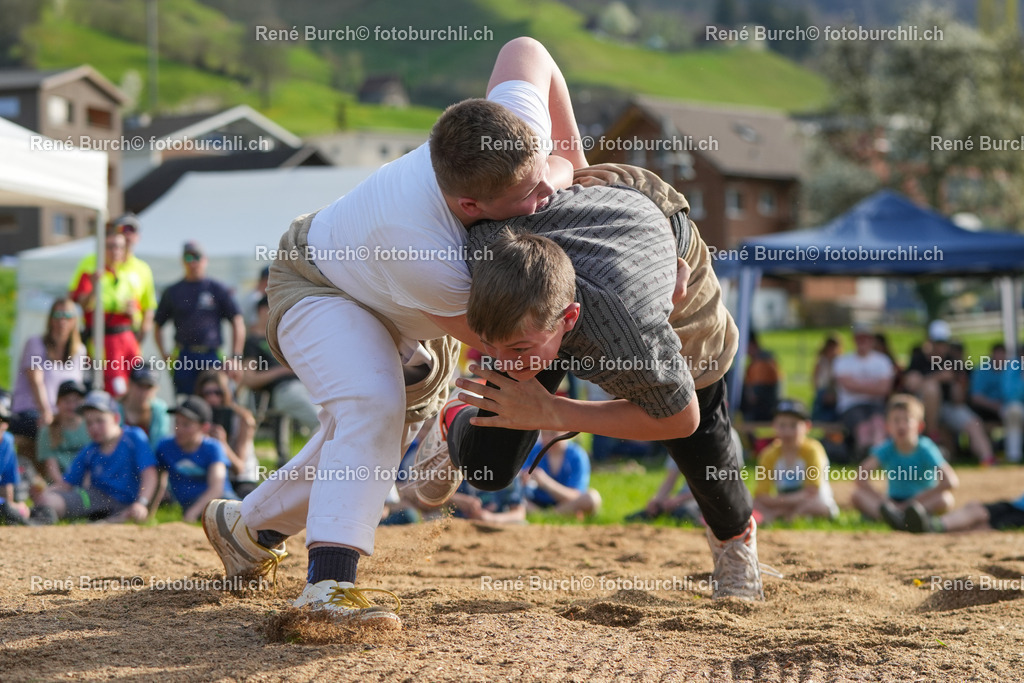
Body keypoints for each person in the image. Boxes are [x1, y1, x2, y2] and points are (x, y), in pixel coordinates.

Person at [201, 37, 588, 631]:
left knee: (360, 442)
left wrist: (571, 170)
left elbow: (526, 51)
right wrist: (470, 415)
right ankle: (328, 588)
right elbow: (506, 343)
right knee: (371, 407)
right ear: (468, 203)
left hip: (399, 305)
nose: (543, 198)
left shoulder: (507, 140)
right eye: (527, 196)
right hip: (319, 285)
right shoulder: (426, 254)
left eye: (538, 178)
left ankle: (247, 531)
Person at [415, 163, 769, 600]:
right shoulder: (480, 249)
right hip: (546, 274)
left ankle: (735, 542)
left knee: (703, 449)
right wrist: (505, 361)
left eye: (520, 351)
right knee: (491, 463)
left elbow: (682, 419)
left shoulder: (630, 332)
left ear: (568, 321)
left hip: (651, 243)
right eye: (489, 344)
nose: (505, 362)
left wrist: (554, 411)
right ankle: (454, 417)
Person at [31, 391, 157, 525]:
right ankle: (38, 518)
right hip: (95, 500)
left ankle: (100, 524)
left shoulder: (133, 438)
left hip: (127, 504)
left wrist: (142, 503)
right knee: (50, 500)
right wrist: (44, 495)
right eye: (89, 423)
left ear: (116, 418)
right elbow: (66, 484)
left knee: (131, 515)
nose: (94, 428)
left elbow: (149, 474)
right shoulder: (90, 450)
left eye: (100, 421)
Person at [154, 241, 245, 397]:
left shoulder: (217, 289)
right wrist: (164, 354)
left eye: (197, 256)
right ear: (182, 261)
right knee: (186, 403)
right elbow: (157, 324)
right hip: (184, 356)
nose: (193, 262)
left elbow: (237, 321)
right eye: (188, 257)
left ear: (205, 259)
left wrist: (235, 357)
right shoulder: (173, 291)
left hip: (211, 355)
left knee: (217, 400)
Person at [851, 394, 958, 526]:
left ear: (919, 426)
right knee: (857, 496)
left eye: (906, 420)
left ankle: (899, 517)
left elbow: (951, 481)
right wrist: (885, 501)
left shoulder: (926, 448)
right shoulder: (886, 448)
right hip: (893, 501)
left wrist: (913, 502)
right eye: (896, 421)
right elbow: (861, 476)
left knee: (945, 500)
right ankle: (898, 517)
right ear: (888, 426)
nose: (901, 426)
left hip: (921, 501)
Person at [904, 322, 994, 465]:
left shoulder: (952, 360)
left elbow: (958, 399)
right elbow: (910, 384)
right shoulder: (919, 359)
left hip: (948, 407)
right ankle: (932, 433)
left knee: (973, 423)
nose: (941, 347)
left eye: (944, 343)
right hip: (922, 408)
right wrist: (938, 377)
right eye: (938, 342)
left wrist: (957, 385)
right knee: (932, 389)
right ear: (930, 341)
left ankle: (987, 458)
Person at [9, 297, 89, 453]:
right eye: (58, 315)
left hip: (61, 413)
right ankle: (52, 474)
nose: (62, 321)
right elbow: (36, 382)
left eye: (67, 316)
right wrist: (46, 412)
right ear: (51, 319)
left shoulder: (79, 351)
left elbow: (74, 390)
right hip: (31, 410)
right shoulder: (35, 343)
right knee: (49, 429)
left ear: (74, 321)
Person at [70, 229, 143, 396]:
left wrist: (133, 313)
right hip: (105, 340)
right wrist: (94, 288)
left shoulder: (128, 276)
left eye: (119, 247)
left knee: (137, 383)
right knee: (115, 389)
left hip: (128, 339)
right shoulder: (91, 274)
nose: (115, 251)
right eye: (110, 247)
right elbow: (82, 304)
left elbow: (137, 317)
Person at [68, 213, 157, 344]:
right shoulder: (91, 262)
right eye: (122, 229)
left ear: (138, 236)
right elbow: (72, 299)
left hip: (128, 336)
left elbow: (148, 309)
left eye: (132, 230)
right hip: (95, 336)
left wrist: (138, 340)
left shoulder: (143, 269)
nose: (127, 234)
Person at [240, 295, 319, 433]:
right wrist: (284, 370)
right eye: (274, 308)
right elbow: (249, 378)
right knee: (321, 422)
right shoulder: (253, 342)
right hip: (284, 389)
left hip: (308, 385)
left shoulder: (286, 337)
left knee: (332, 416)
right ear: (262, 310)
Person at [752, 399, 839, 524]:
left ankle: (779, 516)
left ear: (807, 426)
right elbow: (761, 495)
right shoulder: (769, 454)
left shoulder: (812, 450)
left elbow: (812, 492)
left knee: (815, 505)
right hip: (789, 502)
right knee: (752, 503)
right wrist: (785, 502)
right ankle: (787, 515)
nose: (787, 431)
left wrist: (779, 502)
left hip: (811, 502)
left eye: (794, 425)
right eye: (782, 425)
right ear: (774, 426)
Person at [155, 396, 237, 523]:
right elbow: (158, 481)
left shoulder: (213, 447)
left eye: (186, 425)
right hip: (189, 505)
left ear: (204, 427)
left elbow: (217, 488)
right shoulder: (165, 447)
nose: (179, 429)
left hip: (221, 505)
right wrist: (149, 511)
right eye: (177, 422)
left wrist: (192, 513)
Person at [195, 371, 259, 498]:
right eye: (207, 393)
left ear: (226, 393)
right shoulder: (197, 419)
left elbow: (239, 467)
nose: (212, 398)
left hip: (241, 479)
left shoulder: (242, 419)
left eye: (218, 393)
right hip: (212, 477)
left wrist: (222, 443)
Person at [833, 324, 894, 457]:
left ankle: (877, 455)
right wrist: (873, 386)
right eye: (859, 338)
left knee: (878, 424)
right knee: (863, 427)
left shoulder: (882, 361)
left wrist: (858, 386)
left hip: (875, 405)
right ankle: (864, 454)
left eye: (866, 338)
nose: (863, 342)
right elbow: (847, 386)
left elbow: (884, 388)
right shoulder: (843, 361)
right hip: (850, 406)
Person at [521, 430, 601, 518]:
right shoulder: (533, 451)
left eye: (553, 434)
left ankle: (546, 515)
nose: (548, 439)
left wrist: (546, 482)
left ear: (567, 433)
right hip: (534, 501)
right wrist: (523, 480)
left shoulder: (577, 455)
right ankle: (551, 515)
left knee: (592, 498)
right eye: (544, 434)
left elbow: (575, 495)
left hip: (565, 503)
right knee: (514, 498)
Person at [969, 343, 1023, 463]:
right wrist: (995, 406)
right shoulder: (984, 369)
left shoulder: (1011, 367)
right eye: (998, 353)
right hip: (988, 410)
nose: (1000, 357)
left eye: (1003, 354)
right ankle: (1013, 457)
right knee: (1013, 411)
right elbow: (976, 397)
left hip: (1006, 407)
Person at [36, 380, 90, 484]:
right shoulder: (47, 431)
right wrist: (66, 487)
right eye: (66, 401)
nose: (72, 406)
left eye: (76, 401)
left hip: (89, 482)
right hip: (60, 484)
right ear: (58, 403)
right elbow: (51, 468)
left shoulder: (90, 426)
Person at [899, 491, 1024, 533]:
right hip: (1016, 505)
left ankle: (930, 530)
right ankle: (933, 525)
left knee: (984, 527)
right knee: (975, 509)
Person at [625, 457, 701, 523]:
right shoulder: (678, 447)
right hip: (682, 499)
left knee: (684, 512)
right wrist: (657, 499)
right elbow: (670, 481)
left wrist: (679, 500)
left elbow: (710, 489)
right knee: (642, 515)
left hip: (701, 499)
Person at [118, 366, 171, 451]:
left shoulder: (160, 410)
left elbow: (158, 447)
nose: (143, 393)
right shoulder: (113, 408)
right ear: (129, 384)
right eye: (140, 386)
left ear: (156, 389)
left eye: (148, 387)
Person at [0, 392, 29, 525]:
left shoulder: (7, 442)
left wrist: (10, 506)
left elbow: (7, 482)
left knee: (14, 513)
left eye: (3, 421)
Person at [449, 477, 527, 524]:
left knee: (521, 524)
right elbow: (437, 499)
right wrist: (454, 499)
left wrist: (492, 518)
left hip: (494, 527)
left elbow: (519, 513)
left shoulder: (508, 473)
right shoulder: (458, 468)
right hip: (460, 524)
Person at [739, 332, 780, 422]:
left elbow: (754, 397)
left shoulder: (762, 363)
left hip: (764, 411)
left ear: (751, 345)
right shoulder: (760, 360)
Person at [810, 336, 840, 422]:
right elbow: (815, 377)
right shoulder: (821, 360)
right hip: (822, 389)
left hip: (835, 391)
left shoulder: (839, 360)